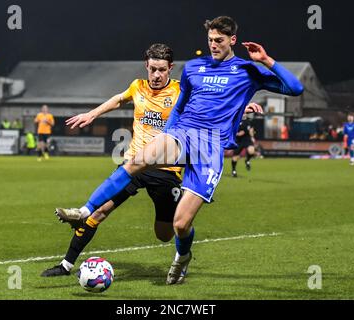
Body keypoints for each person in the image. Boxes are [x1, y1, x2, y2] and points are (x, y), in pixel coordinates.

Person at [54, 16, 303, 285]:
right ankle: (84, 209)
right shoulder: (194, 67)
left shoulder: (247, 70)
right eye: (210, 40)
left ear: (232, 40)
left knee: (180, 226)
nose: (213, 45)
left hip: (210, 147)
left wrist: (266, 60)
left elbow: (295, 88)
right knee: (136, 160)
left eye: (219, 40)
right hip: (183, 133)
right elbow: (181, 107)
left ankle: (182, 258)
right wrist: (167, 135)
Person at [41, 44, 183, 277]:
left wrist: (240, 108)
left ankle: (181, 248)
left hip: (165, 168)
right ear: (146, 66)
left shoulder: (181, 90)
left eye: (162, 70)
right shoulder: (138, 86)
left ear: (171, 69)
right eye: (153, 69)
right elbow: (118, 100)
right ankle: (66, 265)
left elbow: (209, 106)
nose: (156, 75)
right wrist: (91, 114)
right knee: (98, 212)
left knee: (165, 234)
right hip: (134, 164)